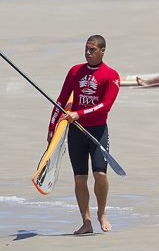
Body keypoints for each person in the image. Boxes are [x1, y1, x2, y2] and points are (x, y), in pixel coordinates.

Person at [47, 35, 120, 235]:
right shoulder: (75, 71)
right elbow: (61, 100)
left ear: (103, 51)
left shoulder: (111, 75)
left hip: (97, 131)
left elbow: (106, 106)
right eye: (86, 49)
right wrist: (52, 128)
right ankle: (86, 221)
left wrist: (78, 113)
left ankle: (102, 213)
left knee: (100, 174)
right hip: (76, 132)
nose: (88, 53)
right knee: (80, 178)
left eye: (93, 50)